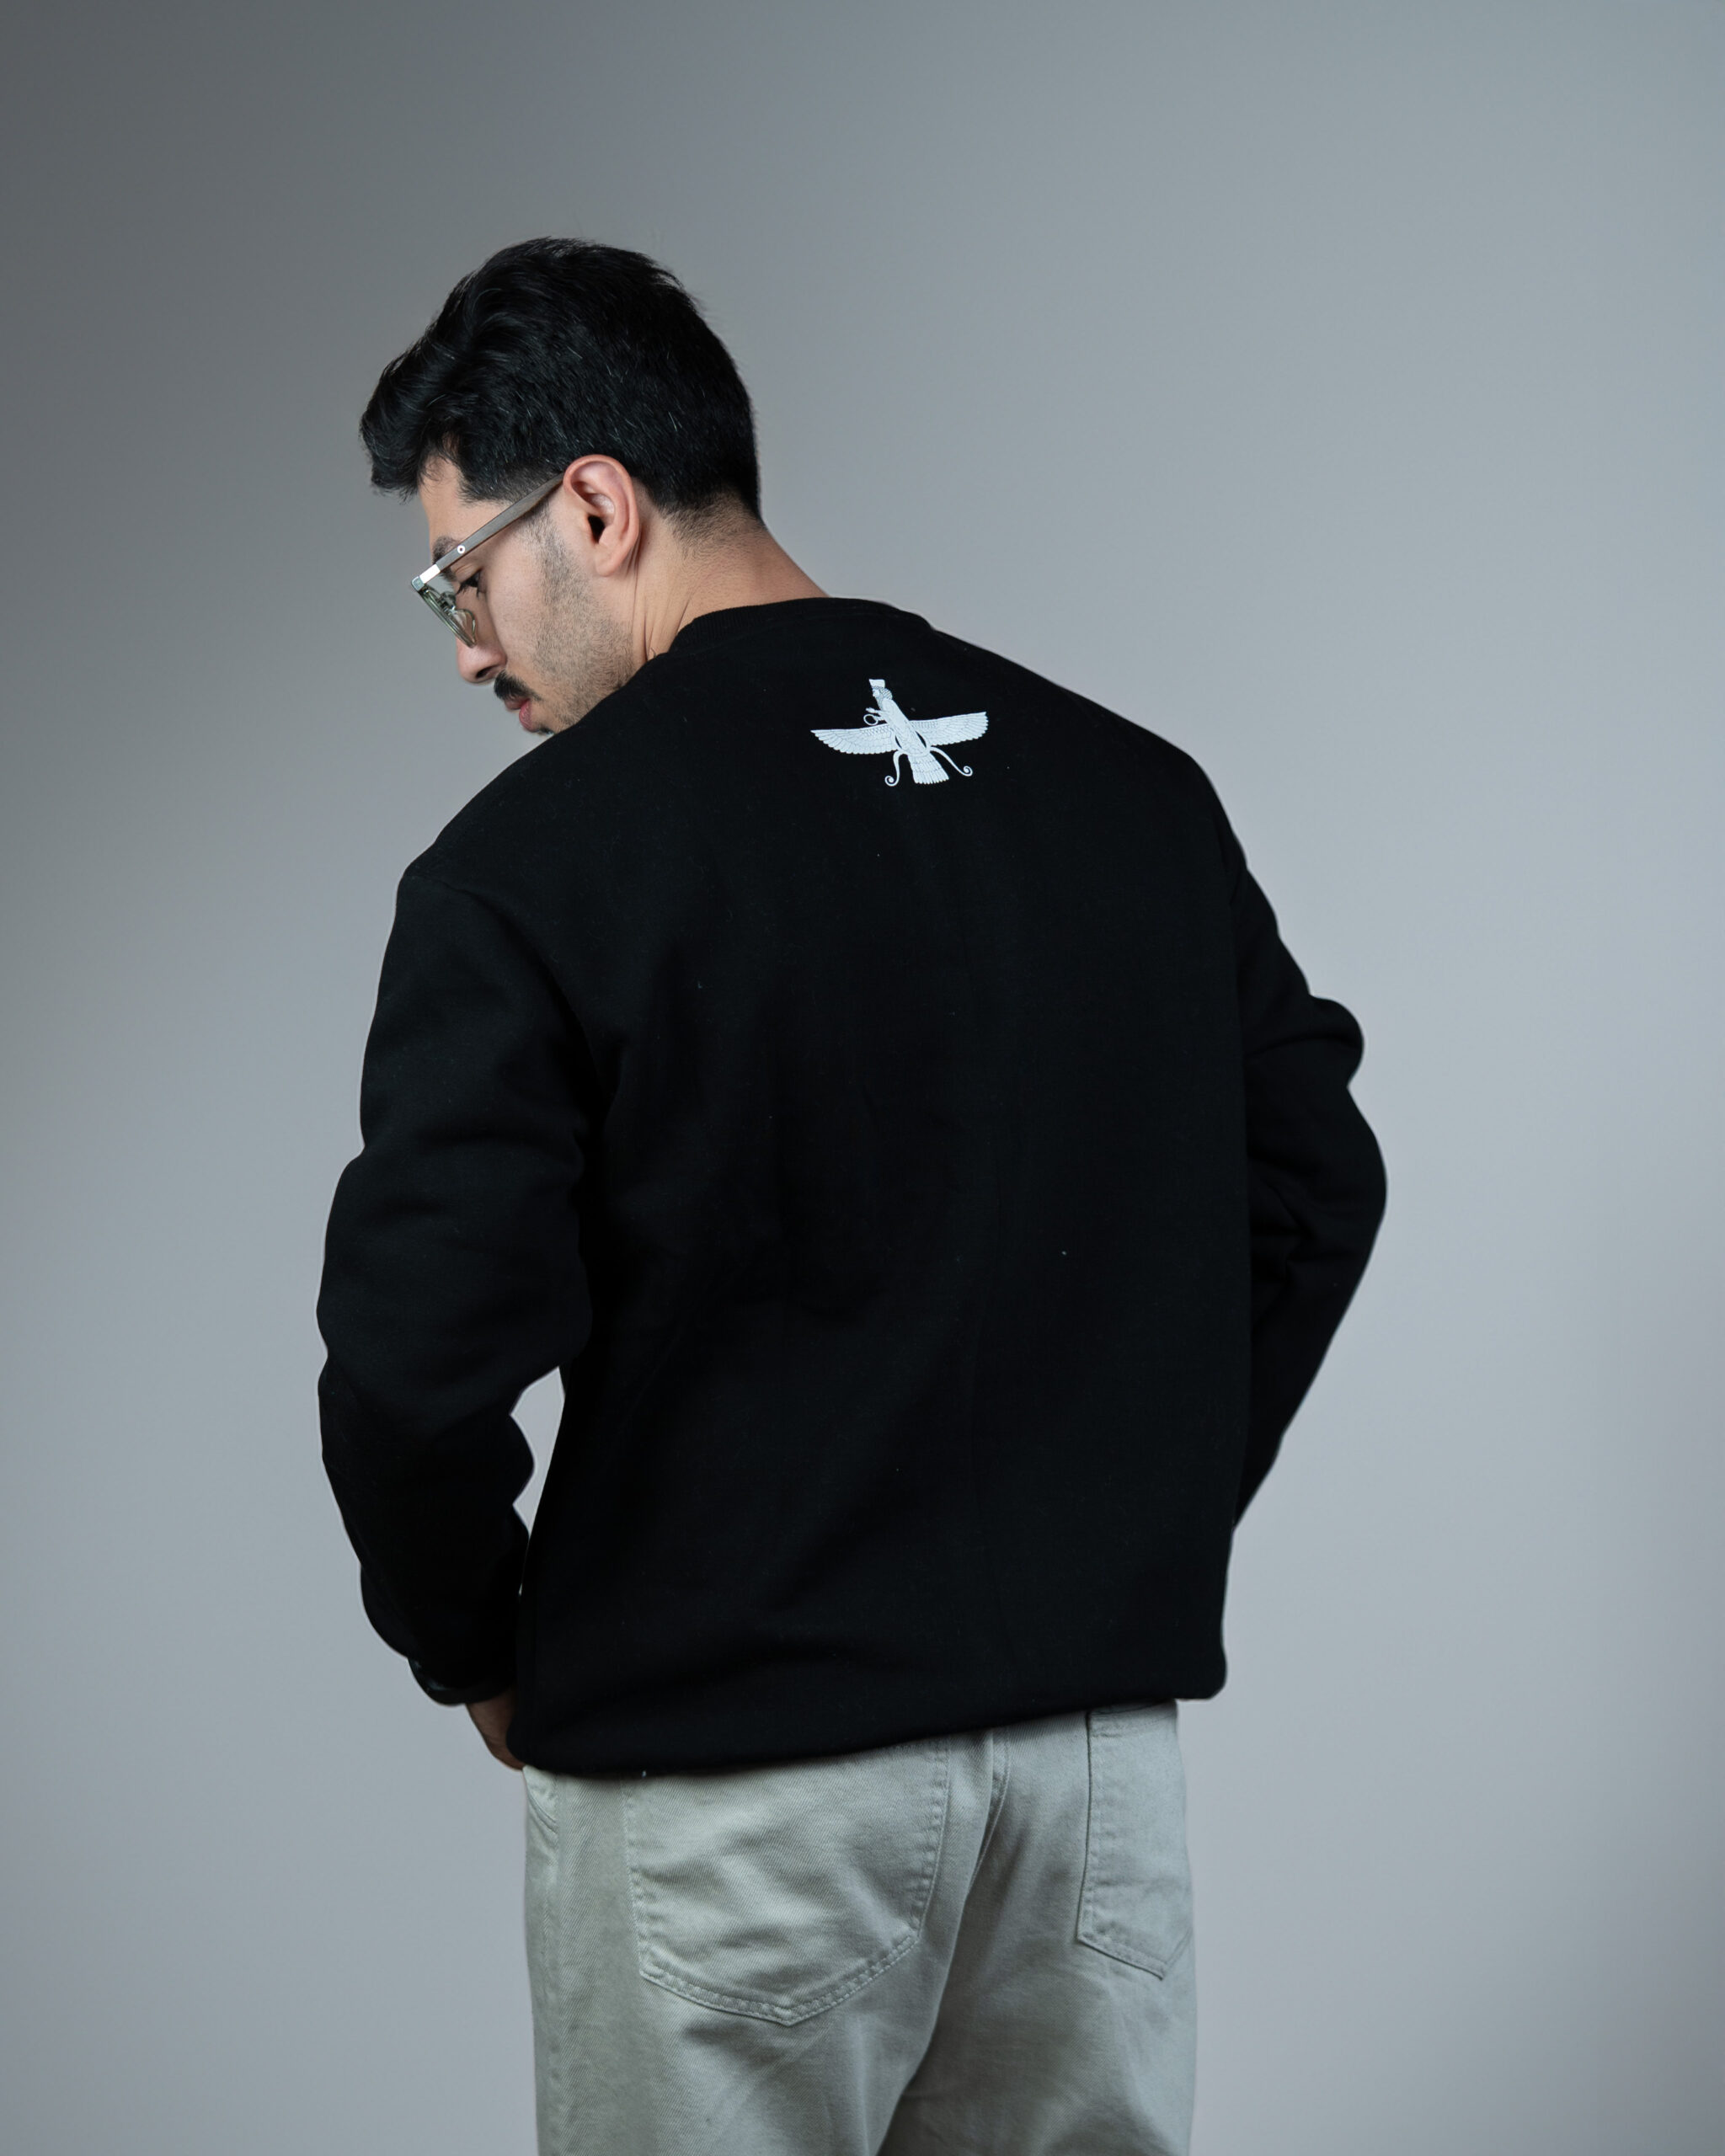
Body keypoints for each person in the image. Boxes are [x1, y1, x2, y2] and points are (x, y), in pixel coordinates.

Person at [318, 236, 1386, 2156]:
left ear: (594, 507)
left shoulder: (533, 868)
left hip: (734, 1768)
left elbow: (414, 1355)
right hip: (1088, 1772)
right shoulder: (1131, 793)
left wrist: (475, 1640)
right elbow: (1315, 1180)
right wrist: (1116, 1526)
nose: (468, 645)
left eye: (458, 577)